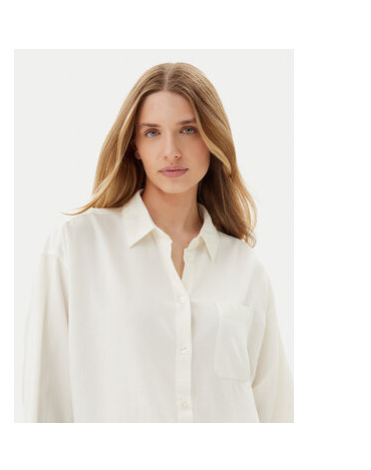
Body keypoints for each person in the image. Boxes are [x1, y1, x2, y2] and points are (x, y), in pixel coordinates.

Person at [21, 62, 294, 423]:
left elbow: (275, 411)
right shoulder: (76, 247)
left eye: (188, 130)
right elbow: (46, 400)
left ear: (212, 138)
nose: (171, 151)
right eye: (152, 132)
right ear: (134, 145)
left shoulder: (245, 268)